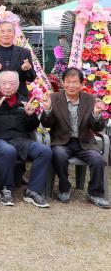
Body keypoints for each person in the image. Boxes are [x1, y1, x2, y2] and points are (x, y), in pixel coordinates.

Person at [0, 70, 50, 208]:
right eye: (4, 83)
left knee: (44, 151)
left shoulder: (24, 100)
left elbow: (32, 128)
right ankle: (6, 189)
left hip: (21, 140)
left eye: (12, 83)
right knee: (8, 150)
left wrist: (30, 115)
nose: (7, 87)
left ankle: (33, 191)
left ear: (17, 85)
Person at [40, 67, 109, 208]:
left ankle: (94, 193)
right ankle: (64, 188)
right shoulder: (54, 98)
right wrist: (47, 110)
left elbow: (97, 128)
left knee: (97, 160)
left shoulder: (90, 100)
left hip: (85, 142)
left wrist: (96, 114)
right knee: (58, 155)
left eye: (75, 82)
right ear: (63, 83)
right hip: (61, 142)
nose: (71, 86)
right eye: (67, 82)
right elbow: (47, 124)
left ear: (82, 84)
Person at [0, 22, 36, 97]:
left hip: (20, 98)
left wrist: (27, 69)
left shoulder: (25, 52)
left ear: (14, 34)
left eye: (9, 31)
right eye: (2, 31)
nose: (6, 34)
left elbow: (31, 78)